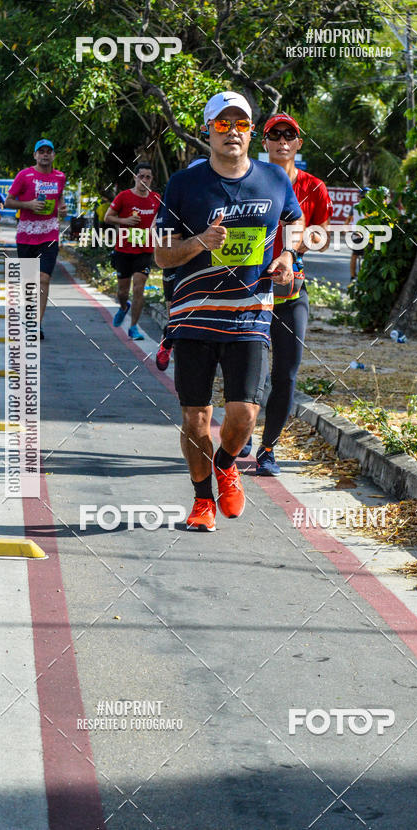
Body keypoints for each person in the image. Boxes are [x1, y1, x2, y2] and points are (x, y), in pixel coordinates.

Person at [155, 91, 303, 532]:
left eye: (240, 124)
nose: (233, 132)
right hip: (194, 316)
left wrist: (288, 256)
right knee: (195, 418)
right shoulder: (184, 184)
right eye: (223, 124)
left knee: (243, 416)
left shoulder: (275, 180)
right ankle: (203, 501)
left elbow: (293, 222)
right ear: (208, 130)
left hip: (249, 313)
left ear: (251, 131)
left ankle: (226, 464)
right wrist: (200, 242)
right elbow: (162, 255)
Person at [240, 113, 333, 475]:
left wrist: (298, 247)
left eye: (288, 135)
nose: (282, 141)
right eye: (274, 135)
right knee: (251, 373)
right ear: (263, 142)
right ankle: (241, 432)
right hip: (251, 293)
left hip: (292, 293)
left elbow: (323, 233)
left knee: (286, 375)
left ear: (298, 143)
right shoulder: (250, 182)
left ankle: (267, 449)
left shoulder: (313, 186)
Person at [4, 139, 67, 340]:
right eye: (41, 152)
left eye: (49, 151)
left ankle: (36, 325)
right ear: (35, 155)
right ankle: (28, 316)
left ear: (54, 155)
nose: (45, 155)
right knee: (29, 281)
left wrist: (62, 209)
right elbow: (8, 201)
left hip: (49, 233)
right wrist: (29, 205)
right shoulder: (25, 175)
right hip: (26, 234)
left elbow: (60, 199)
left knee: (44, 278)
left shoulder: (60, 177)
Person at [156, 156, 208, 371]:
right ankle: (168, 342)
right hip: (175, 264)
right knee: (175, 313)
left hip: (205, 267)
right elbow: (160, 234)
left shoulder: (215, 199)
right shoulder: (178, 195)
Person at [104, 162, 161, 340]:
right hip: (123, 249)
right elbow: (107, 217)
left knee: (138, 288)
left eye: (148, 177)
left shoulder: (156, 199)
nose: (144, 180)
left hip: (144, 251)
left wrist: (155, 227)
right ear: (135, 177)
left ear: (151, 180)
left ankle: (134, 327)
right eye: (141, 176)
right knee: (122, 291)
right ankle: (123, 307)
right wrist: (125, 221)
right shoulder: (124, 196)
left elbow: (160, 219)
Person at [345, 186, 369, 281]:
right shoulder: (371, 207)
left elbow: (348, 220)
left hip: (356, 234)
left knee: (354, 255)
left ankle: (352, 276)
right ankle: (364, 276)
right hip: (368, 234)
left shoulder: (354, 206)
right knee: (367, 256)